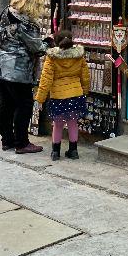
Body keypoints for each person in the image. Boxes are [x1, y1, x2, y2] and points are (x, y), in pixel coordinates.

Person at [0, 0, 49, 154]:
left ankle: (7, 140)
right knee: (24, 105)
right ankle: (22, 143)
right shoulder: (27, 24)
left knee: (6, 104)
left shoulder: (7, 13)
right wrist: (49, 42)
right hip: (17, 71)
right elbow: (37, 48)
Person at [34, 29, 90, 161]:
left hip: (58, 96)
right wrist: (85, 91)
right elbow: (85, 76)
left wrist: (40, 98)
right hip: (76, 94)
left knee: (58, 124)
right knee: (73, 123)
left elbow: (46, 80)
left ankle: (55, 152)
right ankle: (73, 151)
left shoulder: (52, 58)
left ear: (56, 42)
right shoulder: (79, 56)